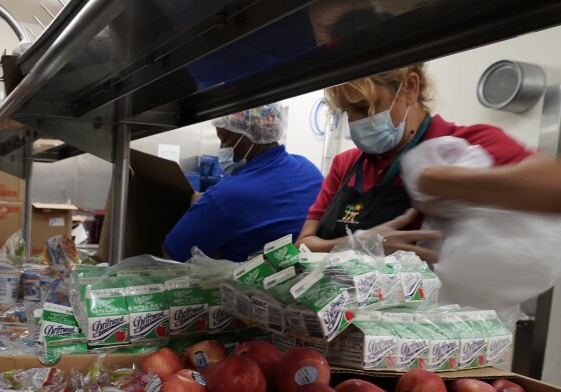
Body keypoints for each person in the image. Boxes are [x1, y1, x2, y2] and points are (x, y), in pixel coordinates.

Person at [296, 63, 561, 262]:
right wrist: (364, 244)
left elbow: (553, 188)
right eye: (347, 112)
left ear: (410, 88)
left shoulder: (465, 145)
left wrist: (441, 181)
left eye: (365, 108)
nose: (355, 123)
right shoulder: (347, 164)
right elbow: (304, 245)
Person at [163, 104, 324, 262]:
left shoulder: (228, 195)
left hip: (254, 287)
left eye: (224, 139)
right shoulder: (308, 168)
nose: (221, 148)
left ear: (249, 134)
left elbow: (172, 255)